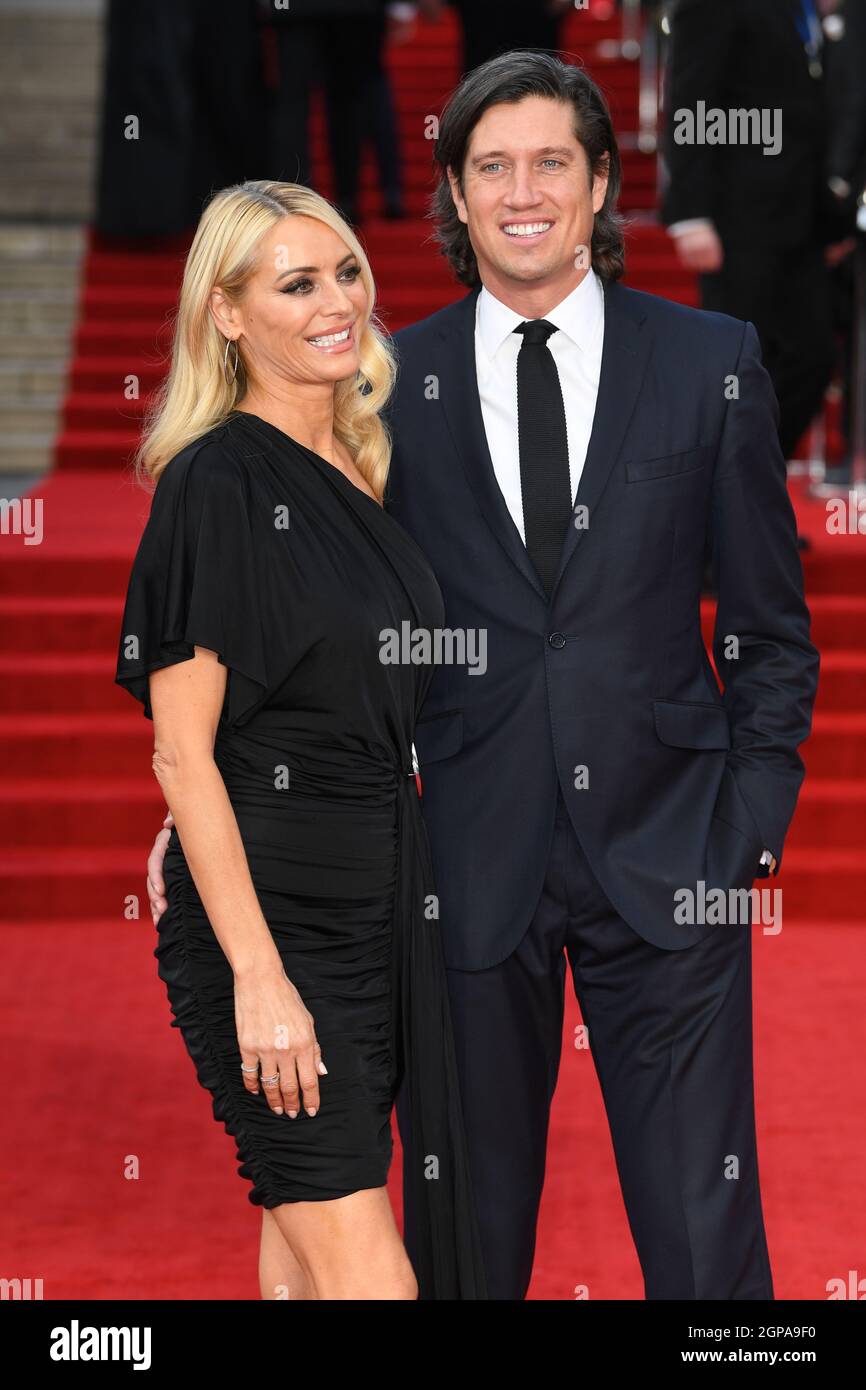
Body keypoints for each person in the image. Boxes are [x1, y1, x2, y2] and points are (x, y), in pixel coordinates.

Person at [148, 52, 820, 1299]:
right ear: (453, 194)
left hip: (673, 860)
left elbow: (771, 633)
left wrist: (747, 829)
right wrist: (196, 801)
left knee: (705, 1246)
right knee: (466, 1250)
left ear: (601, 183)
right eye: (490, 166)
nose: (522, 191)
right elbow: (304, 620)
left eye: (550, 162)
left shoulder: (709, 361)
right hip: (455, 874)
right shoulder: (384, 391)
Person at [115, 180, 487, 1300]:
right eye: (294, 284)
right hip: (274, 929)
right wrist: (258, 977)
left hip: (375, 904)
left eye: (344, 273)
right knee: (370, 1273)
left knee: (302, 1245)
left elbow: (295, 693)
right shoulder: (215, 481)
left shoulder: (362, 461)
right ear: (225, 313)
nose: (337, 304)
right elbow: (182, 748)